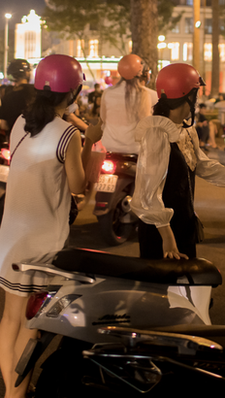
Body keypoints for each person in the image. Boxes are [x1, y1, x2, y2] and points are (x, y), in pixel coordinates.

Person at [0, 54, 102, 398]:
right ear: (73, 92)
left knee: (10, 318)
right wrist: (92, 142)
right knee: (32, 325)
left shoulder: (20, 123)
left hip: (10, 234)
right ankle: (17, 395)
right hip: (41, 240)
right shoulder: (68, 134)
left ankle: (10, 392)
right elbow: (78, 186)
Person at [130, 63, 225, 260]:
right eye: (195, 94)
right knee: (162, 289)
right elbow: (147, 193)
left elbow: (202, 165)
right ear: (188, 96)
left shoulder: (185, 129)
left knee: (183, 286)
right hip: (162, 235)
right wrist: (167, 236)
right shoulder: (157, 133)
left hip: (182, 224)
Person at [100, 54, 156, 154]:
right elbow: (145, 124)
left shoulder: (108, 92)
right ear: (140, 71)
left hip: (108, 146)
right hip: (134, 149)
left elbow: (103, 119)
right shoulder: (143, 94)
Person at [0, 59, 36, 141]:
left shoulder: (8, 96)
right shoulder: (37, 92)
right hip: (36, 139)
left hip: (15, 141)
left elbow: (4, 125)